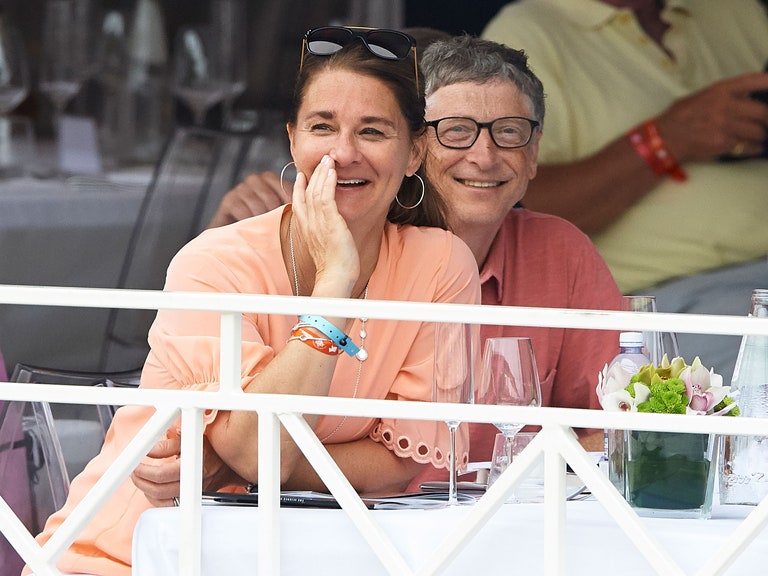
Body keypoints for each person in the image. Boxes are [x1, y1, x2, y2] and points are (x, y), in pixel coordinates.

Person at [24, 26, 481, 576]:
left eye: (374, 131)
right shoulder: (213, 263)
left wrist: (241, 460)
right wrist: (335, 282)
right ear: (292, 142)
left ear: (415, 153)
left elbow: (399, 466)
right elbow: (262, 446)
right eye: (322, 127)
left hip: (302, 556)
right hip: (129, 555)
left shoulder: (442, 265)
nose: (344, 152)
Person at [202, 34, 623, 482]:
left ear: (533, 152)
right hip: (332, 526)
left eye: (509, 132)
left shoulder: (562, 253)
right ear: (413, 147)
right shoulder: (348, 245)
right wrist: (250, 458)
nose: (484, 156)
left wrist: (249, 463)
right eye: (457, 130)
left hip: (498, 530)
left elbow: (622, 425)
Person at [482, 0, 768, 381]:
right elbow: (518, 202)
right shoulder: (528, 30)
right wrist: (666, 138)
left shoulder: (735, 10)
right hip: (656, 304)